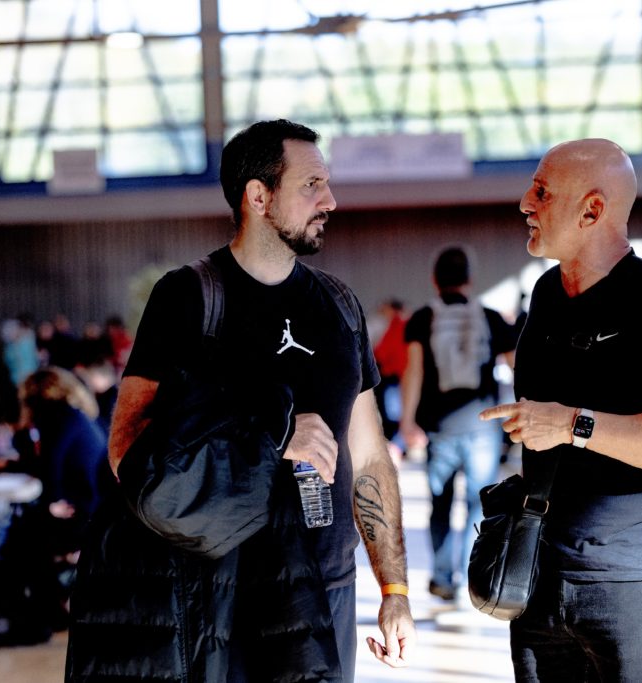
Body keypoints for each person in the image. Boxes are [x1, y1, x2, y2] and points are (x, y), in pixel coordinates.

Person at [66, 119, 415, 682]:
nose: (330, 200)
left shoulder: (339, 304)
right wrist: (272, 433)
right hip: (224, 598)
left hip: (328, 587)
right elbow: (127, 448)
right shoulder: (188, 297)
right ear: (258, 196)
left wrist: (394, 588)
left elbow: (371, 456)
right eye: (312, 185)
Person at [478, 138, 642, 682]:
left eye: (542, 192)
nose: (525, 203)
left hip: (630, 581)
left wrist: (572, 424)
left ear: (592, 210)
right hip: (540, 572)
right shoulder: (545, 295)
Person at [399, 246, 517, 603]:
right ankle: (471, 573)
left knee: (440, 504)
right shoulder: (490, 317)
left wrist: (407, 421)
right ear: (470, 279)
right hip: (484, 428)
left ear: (435, 280)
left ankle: (441, 577)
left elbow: (414, 372)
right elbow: (516, 365)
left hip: (439, 429)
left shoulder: (422, 318)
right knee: (479, 503)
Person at [0, 367, 109, 647]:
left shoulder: (58, 418)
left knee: (19, 543)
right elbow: (49, 468)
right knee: (27, 531)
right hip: (90, 513)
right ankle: (51, 613)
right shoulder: (73, 416)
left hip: (80, 517)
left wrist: (20, 439)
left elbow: (50, 474)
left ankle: (32, 624)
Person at [372, 298, 409, 443]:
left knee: (393, 417)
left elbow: (382, 352)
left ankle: (397, 446)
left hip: (394, 377)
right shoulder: (410, 323)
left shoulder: (397, 324)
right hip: (405, 377)